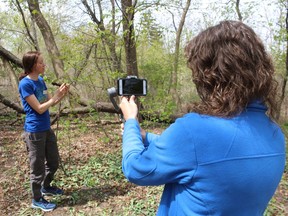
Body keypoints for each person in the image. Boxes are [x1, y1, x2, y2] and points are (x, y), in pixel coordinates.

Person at [119, 20, 286, 215]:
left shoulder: (195, 130)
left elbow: (136, 168)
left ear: (209, 75)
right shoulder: (275, 134)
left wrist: (130, 121)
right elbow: (204, 156)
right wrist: (145, 136)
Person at [18, 51, 69, 212]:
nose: (44, 65)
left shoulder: (40, 80)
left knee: (53, 161)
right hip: (34, 132)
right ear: (33, 65)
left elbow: (48, 103)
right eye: (41, 62)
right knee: (37, 167)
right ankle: (37, 199)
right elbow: (39, 109)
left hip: (46, 128)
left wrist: (60, 95)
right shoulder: (25, 84)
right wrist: (54, 98)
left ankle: (46, 187)